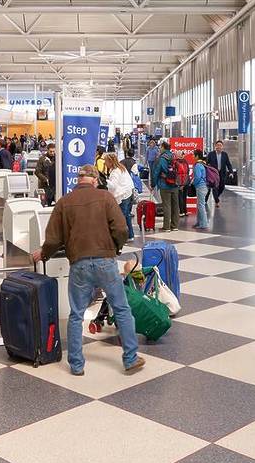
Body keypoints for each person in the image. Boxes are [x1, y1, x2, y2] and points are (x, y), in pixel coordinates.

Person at [32, 165, 144, 377]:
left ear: (78, 179)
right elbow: (121, 229)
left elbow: (54, 238)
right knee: (121, 309)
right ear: (94, 180)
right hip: (105, 261)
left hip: (79, 264)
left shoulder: (64, 202)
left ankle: (76, 364)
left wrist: (44, 254)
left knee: (76, 314)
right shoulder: (105, 197)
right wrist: (115, 248)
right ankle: (130, 358)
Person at [104, 152, 135, 240]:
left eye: (106, 161)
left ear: (110, 162)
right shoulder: (121, 167)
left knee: (121, 218)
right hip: (128, 193)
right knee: (126, 215)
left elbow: (113, 186)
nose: (105, 163)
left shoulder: (115, 172)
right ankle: (130, 235)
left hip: (123, 195)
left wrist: (105, 181)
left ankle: (122, 237)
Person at [151, 141, 180, 231]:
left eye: (160, 147)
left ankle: (166, 227)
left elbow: (156, 172)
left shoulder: (161, 158)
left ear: (163, 147)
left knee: (167, 205)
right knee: (175, 205)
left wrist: (153, 184)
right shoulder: (174, 156)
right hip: (175, 185)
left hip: (165, 184)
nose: (159, 149)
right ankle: (175, 226)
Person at [205, 140, 233, 208]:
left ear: (222, 147)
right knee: (215, 187)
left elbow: (228, 164)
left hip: (222, 173)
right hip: (213, 174)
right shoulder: (211, 154)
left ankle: (216, 196)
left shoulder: (225, 154)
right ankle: (216, 201)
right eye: (217, 145)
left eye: (220, 145)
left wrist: (231, 172)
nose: (219, 147)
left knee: (222, 187)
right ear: (215, 146)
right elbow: (206, 163)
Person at [192, 150, 211, 229]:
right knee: (200, 205)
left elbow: (198, 177)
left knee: (201, 206)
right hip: (204, 186)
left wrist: (193, 183)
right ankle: (199, 222)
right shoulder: (203, 163)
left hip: (200, 187)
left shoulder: (198, 165)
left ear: (197, 156)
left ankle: (204, 224)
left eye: (194, 155)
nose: (192, 156)